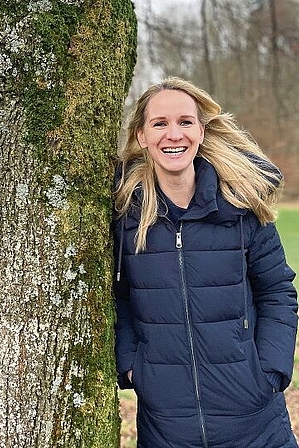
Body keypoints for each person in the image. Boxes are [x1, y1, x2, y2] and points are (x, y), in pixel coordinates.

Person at [113, 76, 298, 447]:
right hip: (167, 428)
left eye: (185, 122)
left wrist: (270, 371)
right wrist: (134, 368)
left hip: (256, 422)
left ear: (200, 131)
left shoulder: (240, 207)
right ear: (141, 136)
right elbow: (119, 300)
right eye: (159, 124)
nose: (173, 134)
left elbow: (277, 292)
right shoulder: (126, 217)